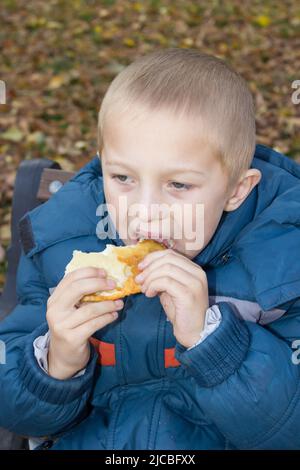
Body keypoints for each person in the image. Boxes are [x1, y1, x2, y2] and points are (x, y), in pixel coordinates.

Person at [0, 48, 300, 450]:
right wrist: (56, 364)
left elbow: (287, 430)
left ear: (236, 189)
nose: (145, 212)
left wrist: (212, 342)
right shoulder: (62, 250)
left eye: (178, 185)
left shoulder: (283, 265)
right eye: (122, 177)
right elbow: (15, 412)